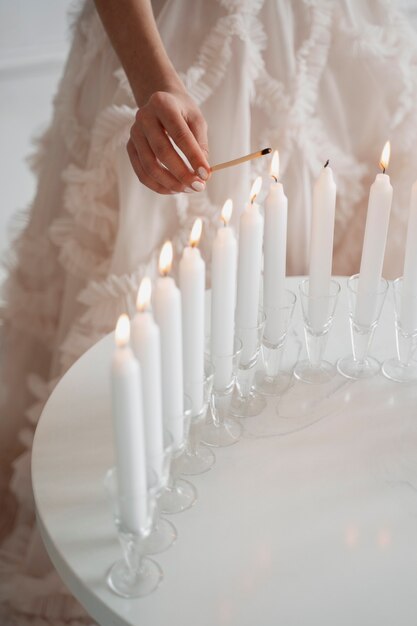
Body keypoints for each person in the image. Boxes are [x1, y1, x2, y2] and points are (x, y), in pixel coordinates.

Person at [1, 0, 417, 623]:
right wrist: (156, 81)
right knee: (157, 357)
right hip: (174, 47)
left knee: (309, 327)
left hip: (339, 36)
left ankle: (282, 549)